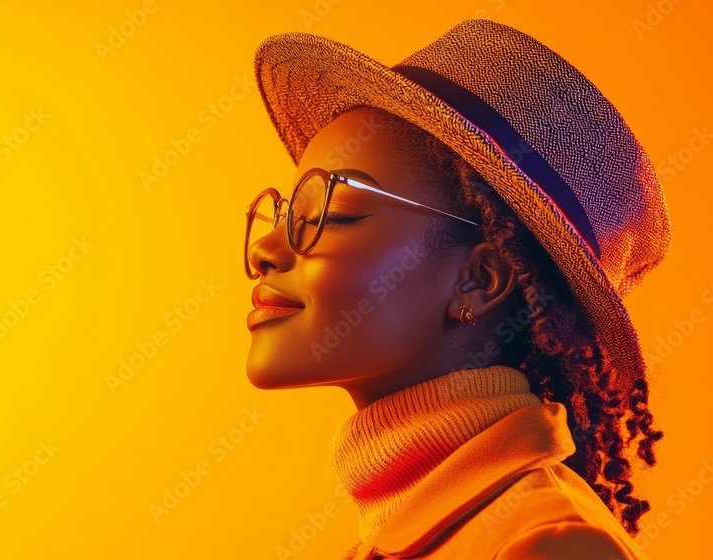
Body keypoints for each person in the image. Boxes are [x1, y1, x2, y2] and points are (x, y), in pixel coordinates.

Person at [243, 19, 671, 559]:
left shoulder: (549, 545)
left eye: (333, 214)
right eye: (287, 212)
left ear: (479, 280)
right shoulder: (391, 537)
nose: (265, 248)